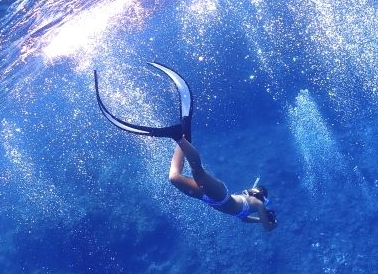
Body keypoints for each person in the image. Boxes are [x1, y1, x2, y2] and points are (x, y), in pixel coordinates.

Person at [94, 62, 277, 231]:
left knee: (174, 177)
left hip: (206, 198)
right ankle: (178, 136)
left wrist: (264, 219)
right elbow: (267, 231)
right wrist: (270, 222)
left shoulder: (246, 212)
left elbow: (246, 220)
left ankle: (182, 134)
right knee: (197, 171)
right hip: (220, 195)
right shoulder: (256, 204)